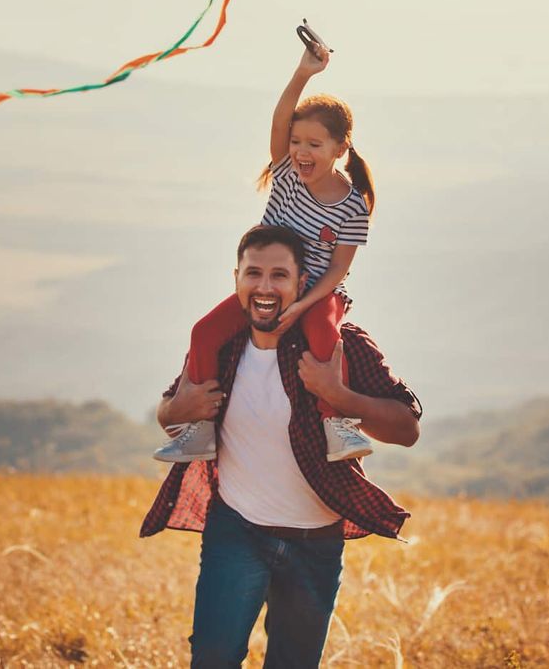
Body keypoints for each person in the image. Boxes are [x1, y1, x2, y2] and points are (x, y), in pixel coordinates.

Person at [143, 224, 422, 667]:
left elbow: (407, 427)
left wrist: (341, 396)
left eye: (279, 275)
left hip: (316, 544)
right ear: (236, 278)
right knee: (212, 660)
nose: (265, 287)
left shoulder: (340, 345)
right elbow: (170, 413)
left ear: (301, 283)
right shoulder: (221, 345)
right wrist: (179, 409)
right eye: (254, 274)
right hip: (236, 533)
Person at [156, 38, 378, 464]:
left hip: (314, 291)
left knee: (324, 340)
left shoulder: (353, 206)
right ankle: (199, 429)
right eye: (297, 141)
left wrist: (304, 306)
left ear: (340, 149)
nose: (301, 151)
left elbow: (338, 271)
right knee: (204, 333)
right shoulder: (286, 174)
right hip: (270, 281)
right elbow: (279, 121)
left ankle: (338, 426)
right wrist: (303, 72)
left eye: (314, 144)